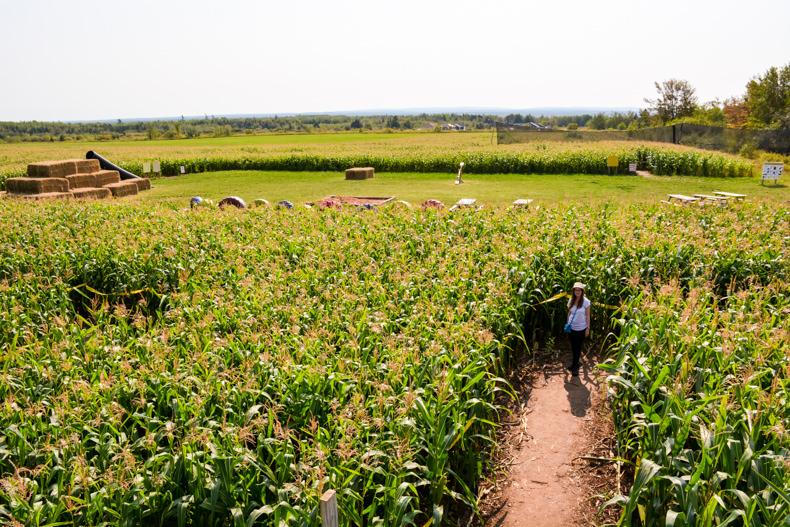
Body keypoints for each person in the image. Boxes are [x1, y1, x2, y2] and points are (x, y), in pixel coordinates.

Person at [566, 282, 591, 376]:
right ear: (573, 291)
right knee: (573, 347)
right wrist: (567, 324)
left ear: (582, 291)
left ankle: (575, 367)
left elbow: (588, 315)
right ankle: (575, 364)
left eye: (579, 290)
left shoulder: (586, 302)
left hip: (581, 328)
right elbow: (569, 313)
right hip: (571, 327)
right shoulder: (571, 300)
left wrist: (587, 328)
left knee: (577, 347)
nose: (577, 292)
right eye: (576, 290)